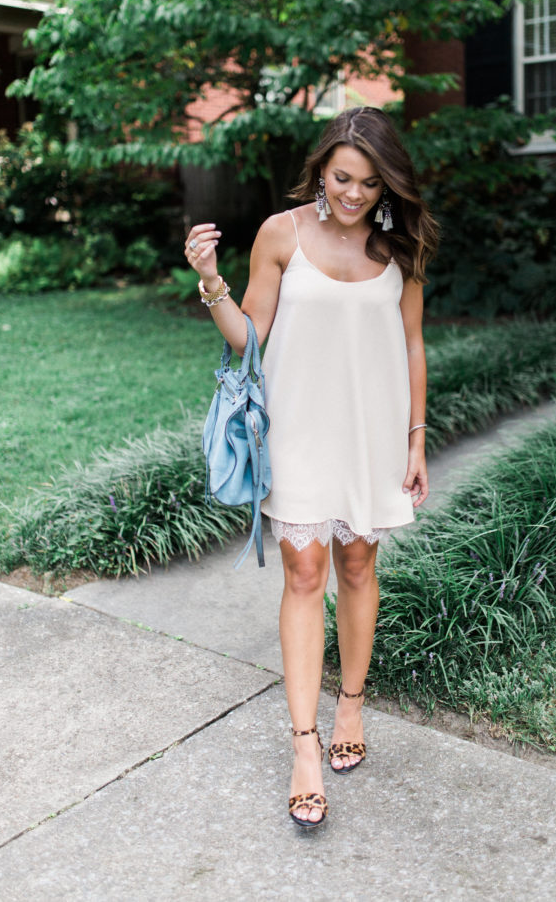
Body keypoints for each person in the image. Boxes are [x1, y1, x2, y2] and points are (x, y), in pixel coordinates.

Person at [184, 106, 439, 829]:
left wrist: (417, 437)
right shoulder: (282, 234)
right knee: (305, 574)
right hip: (298, 431)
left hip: (373, 434)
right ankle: (304, 746)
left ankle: (351, 705)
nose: (355, 193)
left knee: (358, 567)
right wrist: (211, 281)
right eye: (342, 177)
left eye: (369, 181)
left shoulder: (399, 246)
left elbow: (413, 344)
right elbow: (248, 341)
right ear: (322, 169)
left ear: (387, 182)